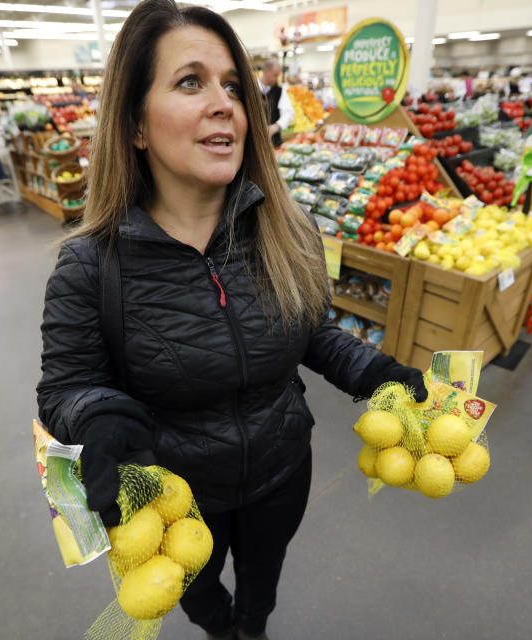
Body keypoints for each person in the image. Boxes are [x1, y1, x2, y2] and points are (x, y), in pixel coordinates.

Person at [35, 2, 428, 639]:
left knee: (263, 584)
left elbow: (311, 329)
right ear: (136, 124)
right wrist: (99, 416)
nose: (225, 104)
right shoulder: (89, 264)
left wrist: (376, 370)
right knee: (197, 594)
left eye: (233, 87)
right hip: (174, 499)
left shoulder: (286, 227)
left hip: (280, 471)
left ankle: (252, 626)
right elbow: (64, 388)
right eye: (190, 82)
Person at [257, 58, 293, 148]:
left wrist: (276, 127)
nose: (277, 79)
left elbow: (289, 112)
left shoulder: (279, 91)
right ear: (266, 72)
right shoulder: (250, 89)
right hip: (255, 145)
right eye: (275, 75)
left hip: (274, 144)